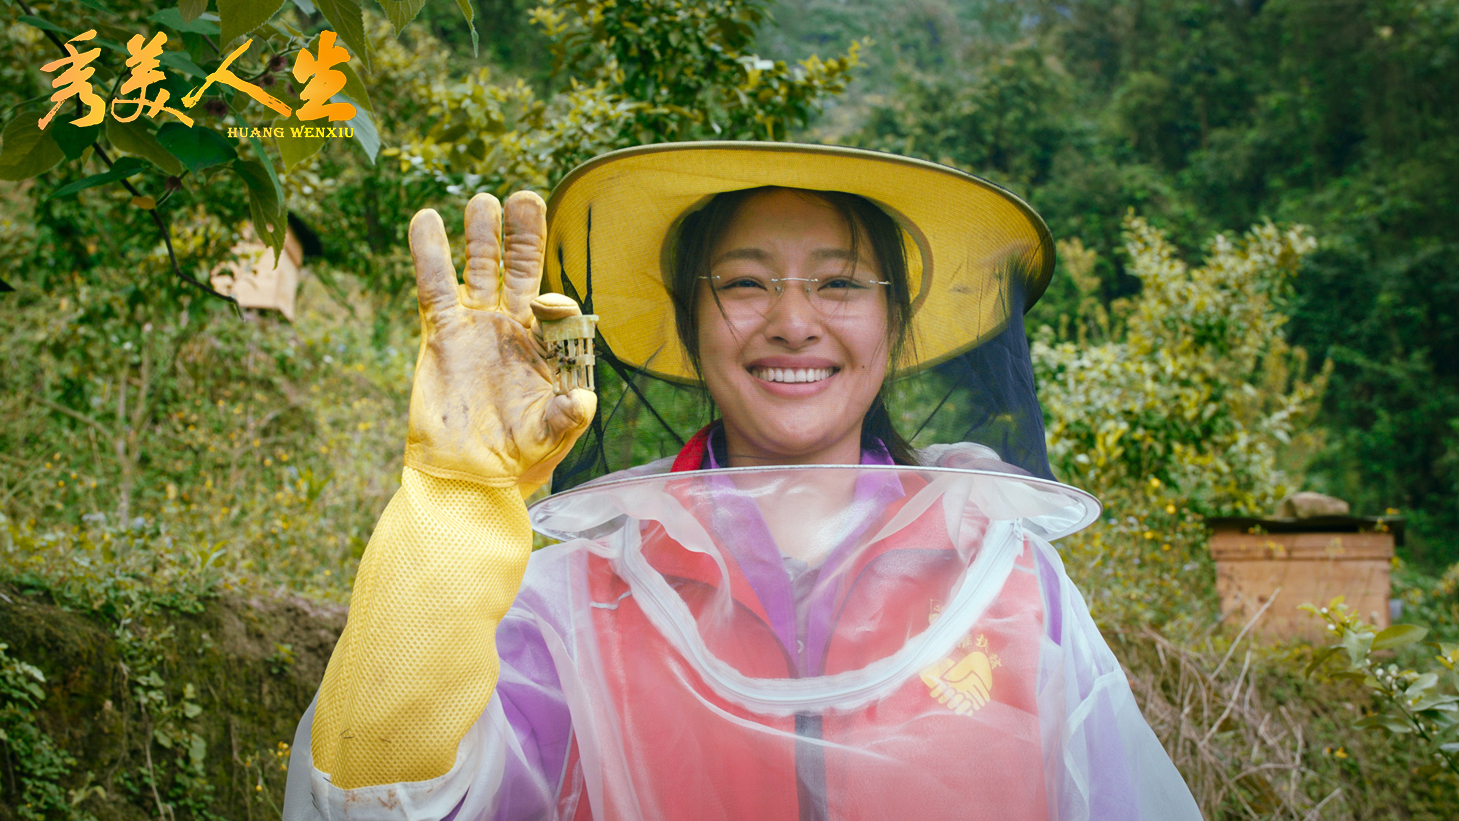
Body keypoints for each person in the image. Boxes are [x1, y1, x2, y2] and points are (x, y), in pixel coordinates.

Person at [282, 143, 1201, 820]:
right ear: (689, 323)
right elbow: (380, 799)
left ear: (894, 326)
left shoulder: (1007, 578)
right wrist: (456, 498)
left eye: (840, 283)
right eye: (745, 284)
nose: (793, 322)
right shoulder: (580, 593)